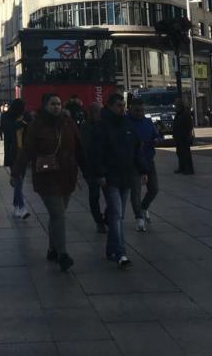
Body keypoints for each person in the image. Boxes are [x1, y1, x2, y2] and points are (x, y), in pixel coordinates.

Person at [12, 94, 82, 272]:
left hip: (67, 175)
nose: (57, 107)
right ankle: (63, 255)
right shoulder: (37, 125)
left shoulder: (68, 123)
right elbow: (27, 150)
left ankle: (52, 249)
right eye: (53, 104)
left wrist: (90, 172)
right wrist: (16, 172)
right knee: (59, 215)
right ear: (45, 106)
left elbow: (79, 147)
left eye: (59, 103)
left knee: (57, 215)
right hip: (47, 176)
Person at [91, 93, 146, 268]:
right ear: (109, 106)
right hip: (111, 177)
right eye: (119, 105)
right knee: (116, 214)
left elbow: (136, 150)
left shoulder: (127, 125)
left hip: (126, 176)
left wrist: (143, 170)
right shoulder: (102, 126)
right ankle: (121, 253)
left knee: (118, 215)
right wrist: (99, 174)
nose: (122, 108)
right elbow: (96, 153)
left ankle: (111, 249)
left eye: (123, 105)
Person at [126, 98, 161, 231]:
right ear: (130, 109)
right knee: (136, 190)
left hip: (148, 160)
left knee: (154, 188)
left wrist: (156, 139)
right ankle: (139, 217)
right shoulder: (126, 122)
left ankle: (144, 207)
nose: (140, 113)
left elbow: (155, 136)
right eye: (137, 110)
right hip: (133, 162)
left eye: (142, 110)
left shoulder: (147, 122)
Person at [80, 102, 106, 233]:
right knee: (94, 195)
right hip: (91, 169)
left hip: (104, 167)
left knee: (110, 196)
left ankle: (104, 219)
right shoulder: (86, 127)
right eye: (96, 112)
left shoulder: (104, 125)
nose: (99, 115)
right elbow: (85, 149)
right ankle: (99, 220)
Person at [4, 99, 30, 219]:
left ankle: (15, 206)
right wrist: (22, 123)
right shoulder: (7, 117)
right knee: (18, 180)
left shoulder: (23, 118)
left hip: (23, 152)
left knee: (19, 181)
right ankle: (22, 207)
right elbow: (8, 128)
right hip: (13, 153)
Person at [173, 100, 194, 175]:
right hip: (178, 137)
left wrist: (188, 134)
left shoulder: (185, 114)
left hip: (184, 137)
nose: (175, 108)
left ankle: (188, 169)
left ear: (180, 106)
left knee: (185, 154)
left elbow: (189, 125)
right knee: (179, 153)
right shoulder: (178, 114)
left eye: (176, 106)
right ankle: (181, 167)